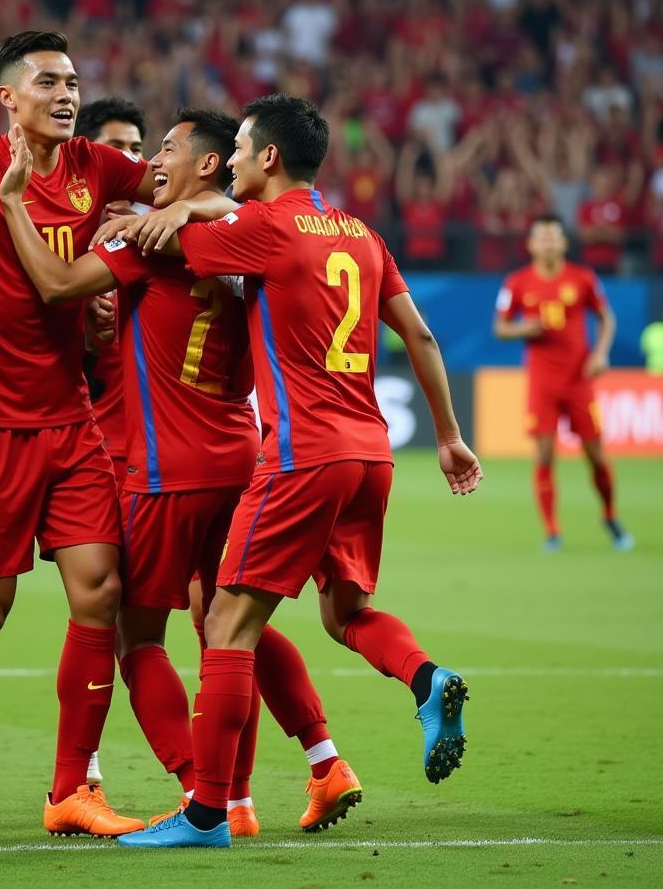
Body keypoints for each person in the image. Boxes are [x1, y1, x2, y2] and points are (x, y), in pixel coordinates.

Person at [110, 94, 482, 850]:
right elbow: (419, 330)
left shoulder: (264, 229)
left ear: (269, 157)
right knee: (345, 616)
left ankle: (209, 813)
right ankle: (424, 678)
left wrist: (173, 215)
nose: (235, 160)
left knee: (225, 624)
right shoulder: (363, 235)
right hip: (372, 453)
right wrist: (449, 436)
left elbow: (164, 241)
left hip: (299, 455)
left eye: (241, 148)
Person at [0, 110, 364, 835]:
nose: (146, 160)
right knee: (232, 624)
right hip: (242, 457)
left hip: (168, 469)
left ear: (205, 165)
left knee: (138, 638)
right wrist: (176, 208)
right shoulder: (242, 239)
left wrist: (14, 201)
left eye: (160, 149)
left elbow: (53, 283)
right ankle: (304, 769)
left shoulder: (155, 242)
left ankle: (207, 795)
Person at [0, 31, 193, 838]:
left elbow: (188, 182)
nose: (66, 92)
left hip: (70, 419)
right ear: (9, 100)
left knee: (101, 591)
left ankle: (68, 792)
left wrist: (174, 205)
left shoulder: (101, 167)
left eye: (73, 80)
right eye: (48, 81)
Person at [494, 216, 634, 552]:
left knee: (596, 455)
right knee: (544, 454)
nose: (548, 243)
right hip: (542, 382)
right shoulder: (517, 283)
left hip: (578, 381)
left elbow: (606, 318)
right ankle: (553, 531)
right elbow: (500, 327)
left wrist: (600, 353)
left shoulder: (582, 279)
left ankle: (610, 515)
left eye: (553, 237)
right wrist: (522, 329)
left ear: (564, 243)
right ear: (530, 245)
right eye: (541, 238)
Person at [74, 96, 149, 495]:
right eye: (116, 148)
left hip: (158, 453)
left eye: (137, 150)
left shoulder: (161, 239)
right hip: (90, 451)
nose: (129, 160)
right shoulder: (58, 245)